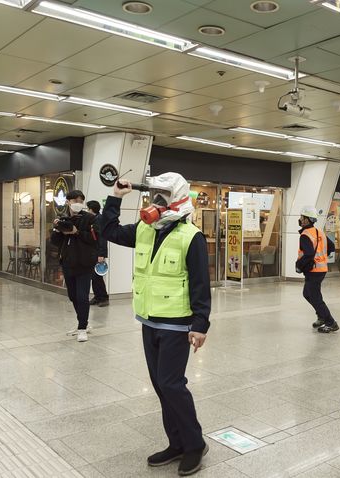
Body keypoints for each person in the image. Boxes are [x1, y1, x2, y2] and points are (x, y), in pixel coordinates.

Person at [102, 173, 210, 476]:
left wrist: (200, 324)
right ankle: (176, 443)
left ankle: (194, 445)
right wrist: (116, 197)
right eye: (152, 196)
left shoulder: (192, 237)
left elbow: (202, 284)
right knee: (161, 386)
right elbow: (108, 229)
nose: (154, 202)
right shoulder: (145, 229)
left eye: (160, 197)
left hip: (177, 324)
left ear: (175, 199)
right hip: (149, 321)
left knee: (172, 385)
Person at [51, 190, 99, 342]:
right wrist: (59, 230)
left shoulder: (91, 219)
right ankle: (82, 323)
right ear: (68, 202)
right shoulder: (64, 218)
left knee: (82, 296)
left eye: (80, 200)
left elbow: (94, 239)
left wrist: (76, 232)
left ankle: (82, 328)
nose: (77, 203)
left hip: (85, 263)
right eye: (74, 200)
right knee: (73, 296)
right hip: (67, 262)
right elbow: (55, 241)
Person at [296, 206, 339, 333]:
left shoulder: (305, 235)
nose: (300, 219)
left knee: (315, 298)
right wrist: (321, 257)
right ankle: (321, 316)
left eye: (302, 217)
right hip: (322, 269)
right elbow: (331, 246)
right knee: (307, 294)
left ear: (306, 220)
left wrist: (299, 264)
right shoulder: (319, 232)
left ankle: (331, 322)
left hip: (314, 271)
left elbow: (308, 253)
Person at [86, 200, 109, 307]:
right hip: (92, 252)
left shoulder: (99, 220)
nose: (87, 210)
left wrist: (102, 254)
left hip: (98, 253)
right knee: (93, 276)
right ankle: (97, 296)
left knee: (97, 276)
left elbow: (102, 238)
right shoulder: (93, 219)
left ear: (91, 209)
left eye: (88, 209)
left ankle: (104, 298)